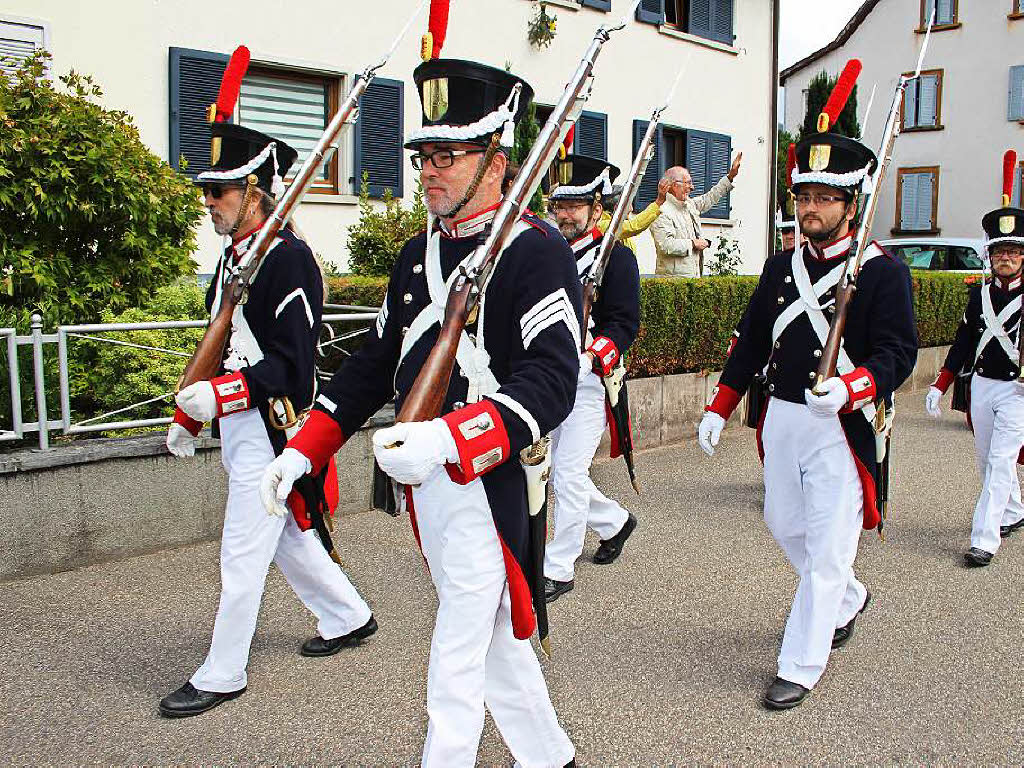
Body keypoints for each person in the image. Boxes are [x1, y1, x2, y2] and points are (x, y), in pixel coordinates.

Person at [259, 58, 579, 768]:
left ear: (497, 161)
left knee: (458, 650)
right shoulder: (416, 256)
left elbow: (553, 378)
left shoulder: (536, 253)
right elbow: (374, 363)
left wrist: (446, 437)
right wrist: (303, 447)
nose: (428, 171)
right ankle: (550, 756)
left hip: (487, 481)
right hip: (427, 487)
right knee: (494, 640)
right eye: (424, 156)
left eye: (447, 156)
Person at [159, 119, 374, 718]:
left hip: (273, 430)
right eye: (207, 192)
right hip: (242, 427)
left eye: (219, 193)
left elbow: (294, 367)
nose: (208, 203)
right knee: (286, 538)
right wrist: (190, 414)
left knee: (241, 553)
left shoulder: (288, 262)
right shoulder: (236, 261)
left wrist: (219, 398)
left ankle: (223, 672)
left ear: (253, 192)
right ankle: (348, 615)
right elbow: (220, 343)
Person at [697, 131, 917, 710]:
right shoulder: (779, 267)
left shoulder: (883, 272)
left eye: (824, 197)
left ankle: (801, 662)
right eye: (804, 196)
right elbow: (750, 343)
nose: (810, 208)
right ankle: (847, 598)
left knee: (826, 548)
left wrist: (852, 387)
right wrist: (721, 405)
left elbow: (898, 352)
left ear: (851, 204)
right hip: (783, 418)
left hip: (842, 429)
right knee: (782, 523)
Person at [542, 154, 640, 603]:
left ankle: (558, 566)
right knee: (556, 472)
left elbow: (624, 323)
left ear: (597, 208)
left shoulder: (616, 259)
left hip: (588, 382)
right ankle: (615, 521)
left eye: (575, 205)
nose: (565, 214)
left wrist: (591, 357)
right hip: (547, 379)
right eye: (559, 205)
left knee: (567, 471)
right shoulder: (545, 251)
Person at [925, 204, 1024, 567]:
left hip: (1018, 391)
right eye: (1000, 252)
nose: (1006, 258)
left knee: (1000, 461)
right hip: (982, 385)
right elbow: (964, 342)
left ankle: (985, 537)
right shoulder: (978, 295)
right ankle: (1013, 510)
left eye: (1013, 252)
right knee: (988, 461)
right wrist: (940, 384)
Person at [650, 154, 742, 276]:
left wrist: (730, 177)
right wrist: (693, 243)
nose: (692, 187)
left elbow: (709, 198)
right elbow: (665, 245)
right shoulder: (660, 211)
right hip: (672, 284)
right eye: (688, 183)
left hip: (693, 279)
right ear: (674, 185)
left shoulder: (688, 204)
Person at [597, 177, 671, 254]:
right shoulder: (603, 225)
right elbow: (634, 225)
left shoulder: (622, 231)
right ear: (617, 208)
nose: (631, 209)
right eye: (629, 204)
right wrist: (659, 202)